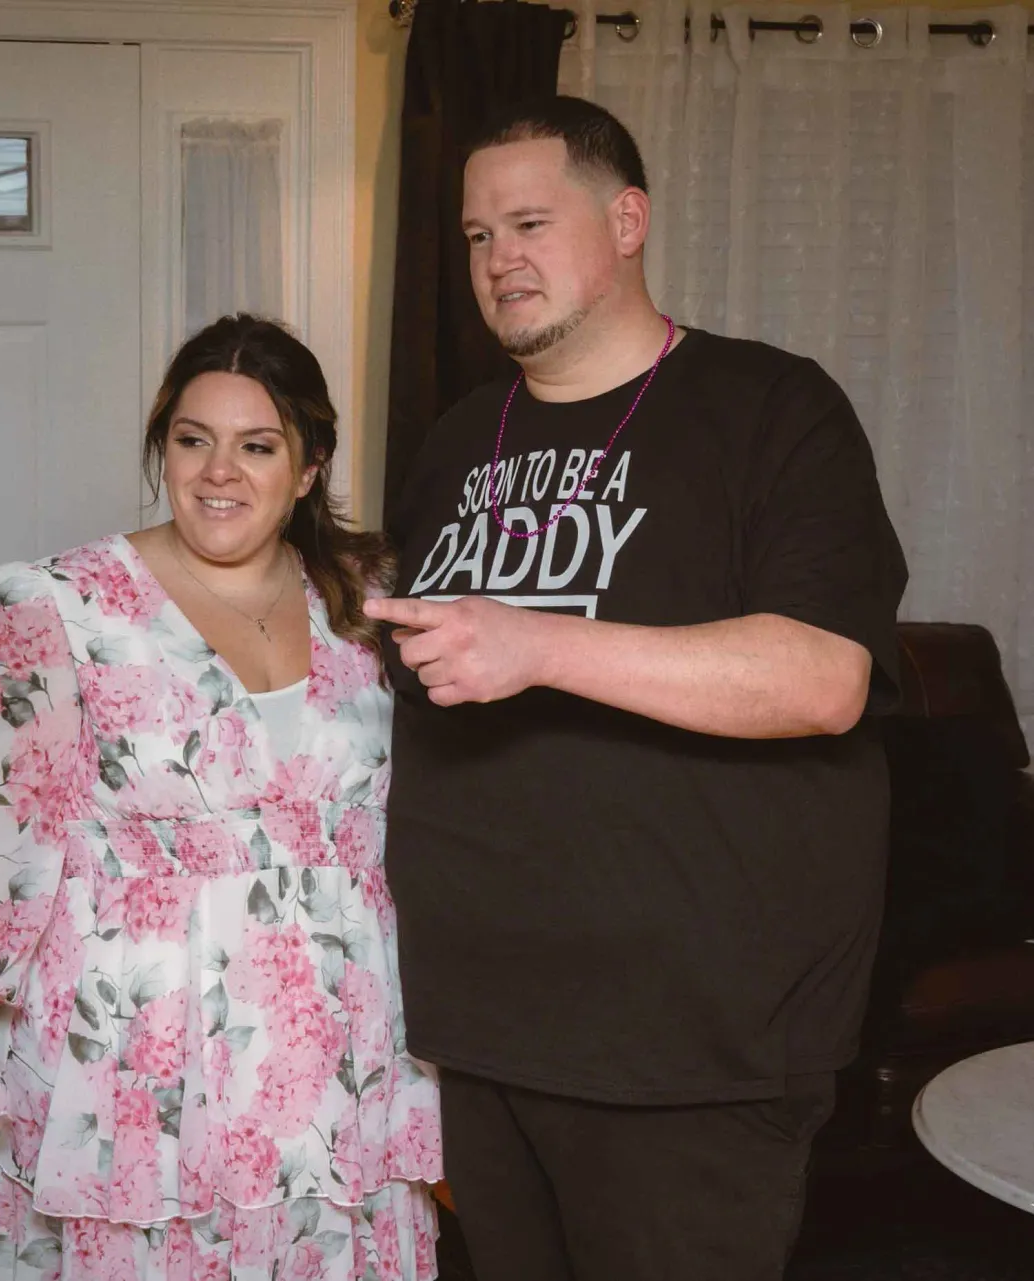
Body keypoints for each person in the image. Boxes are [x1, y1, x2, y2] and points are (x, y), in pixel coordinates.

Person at [369, 96, 909, 1281]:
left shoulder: (771, 408)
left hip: (689, 1051)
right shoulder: (458, 439)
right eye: (477, 236)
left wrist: (543, 646)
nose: (499, 260)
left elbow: (825, 676)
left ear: (626, 221)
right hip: (481, 1026)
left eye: (529, 223)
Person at [0, 314, 443, 1281]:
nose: (218, 472)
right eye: (194, 440)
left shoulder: (374, 601)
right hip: (137, 1078)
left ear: (310, 466)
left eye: (257, 446)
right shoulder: (50, 608)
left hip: (339, 1077)